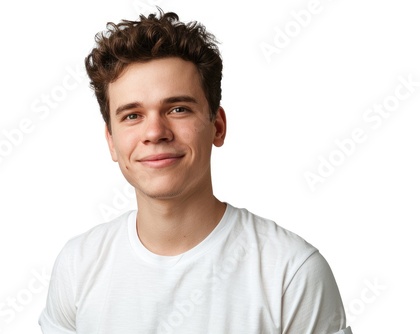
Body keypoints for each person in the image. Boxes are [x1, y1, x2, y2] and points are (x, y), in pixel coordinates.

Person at [39, 9, 352, 334]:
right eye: (132, 115)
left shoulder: (290, 273)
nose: (155, 131)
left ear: (216, 127)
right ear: (112, 142)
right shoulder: (77, 266)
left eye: (178, 109)